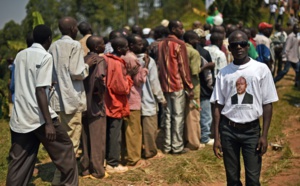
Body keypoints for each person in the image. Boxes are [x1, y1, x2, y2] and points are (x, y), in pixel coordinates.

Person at [6, 24, 78, 186]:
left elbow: (19, 83)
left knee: (19, 163)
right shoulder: (45, 57)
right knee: (66, 149)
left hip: (20, 117)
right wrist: (48, 124)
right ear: (49, 39)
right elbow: (39, 90)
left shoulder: (20, 55)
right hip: (40, 117)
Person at [211, 30, 278, 185]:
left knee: (253, 179)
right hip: (228, 130)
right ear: (230, 48)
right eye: (235, 45)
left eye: (243, 44)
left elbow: (267, 104)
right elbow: (217, 106)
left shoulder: (261, 69)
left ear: (248, 46)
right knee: (232, 179)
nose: (239, 47)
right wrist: (216, 137)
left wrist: (264, 135)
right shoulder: (224, 73)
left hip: (252, 131)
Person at [49, 16, 94, 185]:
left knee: (62, 142)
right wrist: (87, 64)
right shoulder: (74, 45)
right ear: (74, 28)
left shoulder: (53, 46)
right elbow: (77, 72)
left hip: (57, 100)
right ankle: (62, 178)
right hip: (71, 99)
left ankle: (62, 175)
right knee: (72, 141)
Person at [157, 20, 194, 154]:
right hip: (177, 84)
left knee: (167, 117)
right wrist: (189, 86)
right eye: (180, 28)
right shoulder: (180, 44)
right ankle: (177, 146)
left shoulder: (160, 44)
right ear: (173, 29)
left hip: (164, 85)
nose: (182, 30)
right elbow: (183, 68)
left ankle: (167, 146)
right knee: (177, 117)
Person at [104, 37, 136, 174]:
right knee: (114, 134)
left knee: (107, 133)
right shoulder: (117, 64)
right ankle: (113, 163)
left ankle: (106, 159)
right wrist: (129, 79)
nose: (127, 49)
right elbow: (121, 87)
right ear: (118, 49)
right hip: (115, 103)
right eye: (125, 47)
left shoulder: (105, 59)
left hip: (106, 102)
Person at [80, 36, 108, 179]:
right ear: (97, 48)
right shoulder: (100, 60)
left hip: (83, 103)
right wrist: (101, 94)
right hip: (95, 104)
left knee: (84, 138)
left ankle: (84, 169)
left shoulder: (83, 59)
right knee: (97, 139)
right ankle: (97, 170)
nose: (105, 45)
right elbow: (99, 78)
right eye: (103, 44)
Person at [121, 34, 149, 168]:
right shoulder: (131, 59)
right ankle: (134, 159)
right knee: (134, 130)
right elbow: (138, 81)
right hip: (132, 99)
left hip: (126, 99)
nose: (142, 46)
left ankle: (128, 155)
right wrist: (146, 67)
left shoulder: (124, 57)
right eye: (139, 44)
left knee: (129, 129)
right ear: (131, 46)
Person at [138, 39, 166, 159]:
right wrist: (161, 99)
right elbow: (154, 83)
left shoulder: (129, 59)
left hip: (134, 102)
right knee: (150, 129)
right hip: (148, 100)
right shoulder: (149, 61)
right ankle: (150, 151)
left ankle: (138, 150)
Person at [183, 30, 203, 150]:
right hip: (192, 89)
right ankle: (194, 143)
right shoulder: (194, 52)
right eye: (196, 39)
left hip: (181, 88)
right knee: (193, 116)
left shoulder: (180, 49)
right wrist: (206, 66)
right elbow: (194, 72)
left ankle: (186, 139)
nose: (198, 42)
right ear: (191, 40)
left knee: (185, 116)